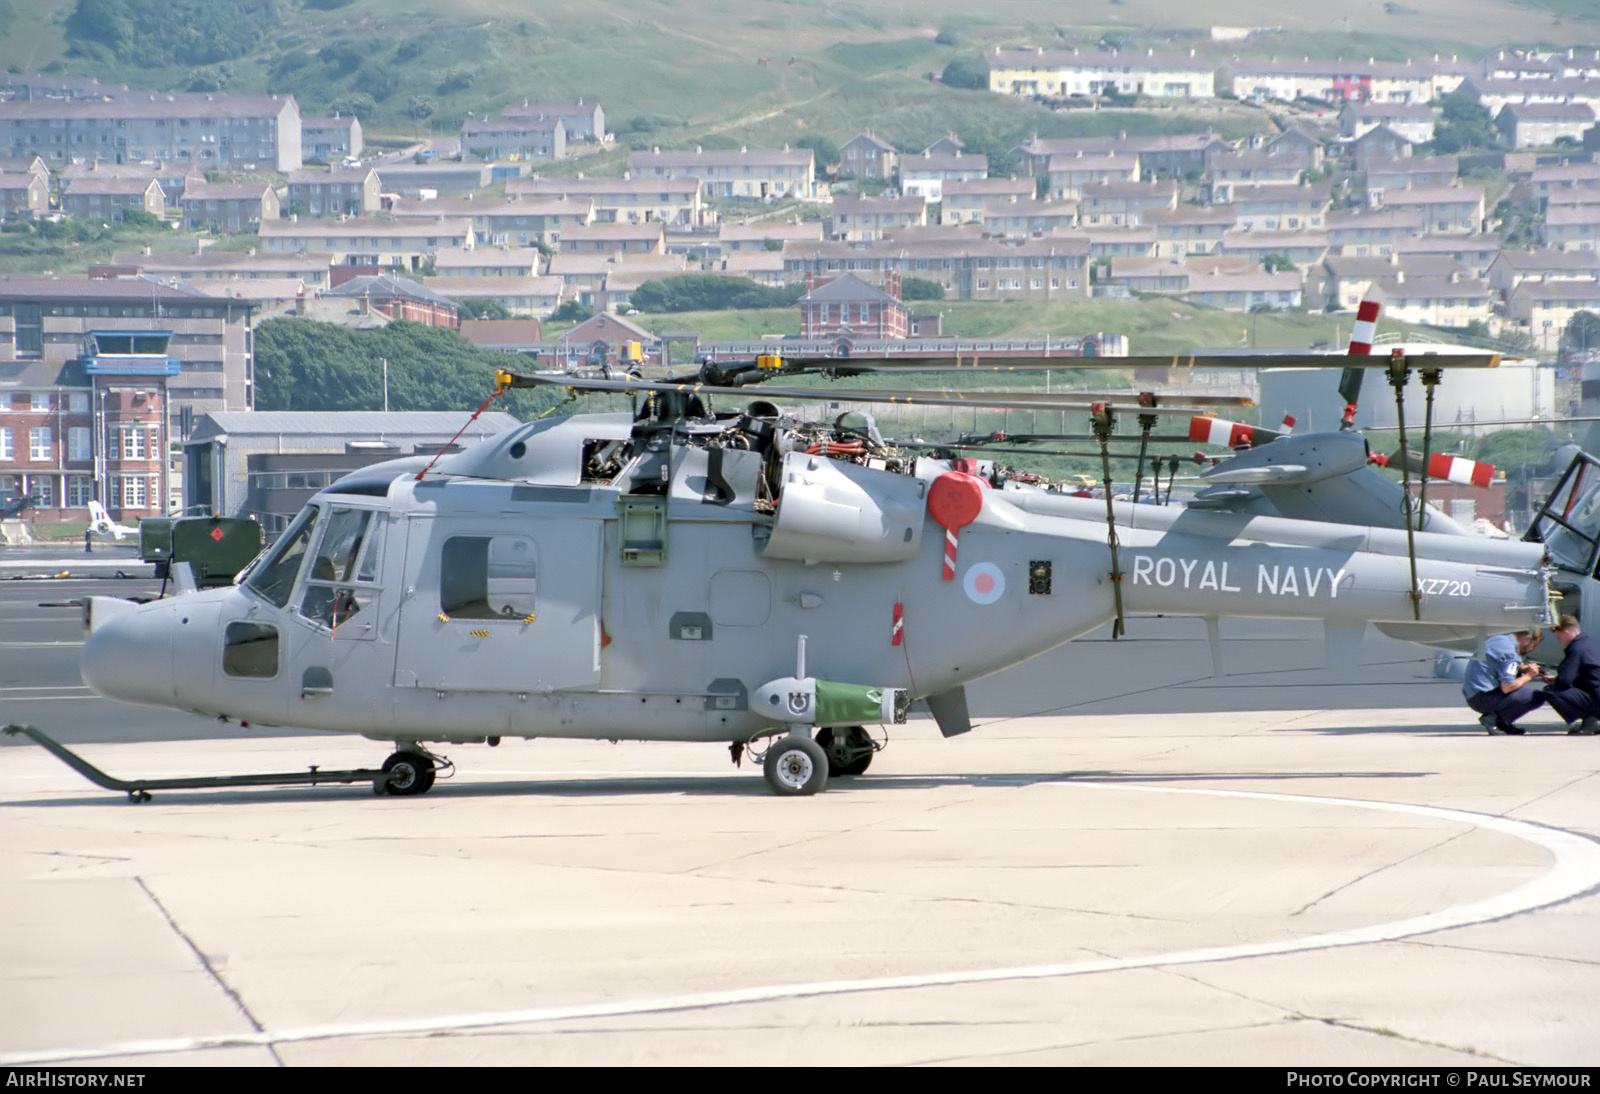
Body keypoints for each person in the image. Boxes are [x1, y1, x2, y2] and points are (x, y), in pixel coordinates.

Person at [1462, 628, 1544, 735]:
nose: (1532, 649)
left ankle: (1501, 722)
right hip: (1483, 698)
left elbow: (1500, 665)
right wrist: (1529, 675)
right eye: (1533, 645)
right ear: (1527, 638)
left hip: (1473, 694)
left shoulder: (1499, 639)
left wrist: (1522, 668)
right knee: (1537, 697)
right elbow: (1507, 687)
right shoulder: (1510, 653)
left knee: (1520, 685)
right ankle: (1494, 720)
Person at [1539, 615, 1600, 735]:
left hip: (1597, 698)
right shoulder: (1589, 643)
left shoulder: (1576, 648)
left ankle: (1589, 721)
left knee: (1550, 691)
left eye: (1558, 637)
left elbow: (1564, 681)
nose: (1558, 641)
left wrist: (1556, 680)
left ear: (1566, 633)